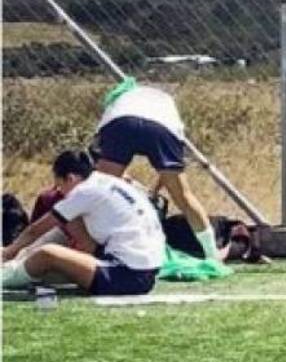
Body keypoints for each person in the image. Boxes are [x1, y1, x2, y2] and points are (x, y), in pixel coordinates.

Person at [91, 76, 221, 263]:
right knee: (183, 196)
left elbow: (100, 160)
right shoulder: (165, 102)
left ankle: (96, 250)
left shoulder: (116, 103)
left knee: (100, 191)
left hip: (121, 123)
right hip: (161, 127)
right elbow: (169, 168)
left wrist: (134, 185)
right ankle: (212, 255)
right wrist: (155, 189)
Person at [2, 149, 164, 296]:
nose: (60, 192)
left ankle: (5, 277)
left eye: (60, 186)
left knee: (48, 254)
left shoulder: (84, 192)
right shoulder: (107, 181)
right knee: (68, 222)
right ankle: (19, 267)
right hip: (144, 270)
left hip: (126, 274)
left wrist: (9, 251)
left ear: (70, 178)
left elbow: (35, 230)